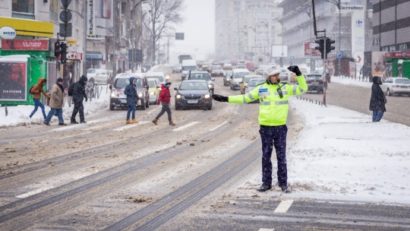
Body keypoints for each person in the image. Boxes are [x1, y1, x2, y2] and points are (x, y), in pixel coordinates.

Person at [212, 66, 308, 193]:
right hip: (266, 127)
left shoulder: (285, 88)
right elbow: (245, 98)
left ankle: (283, 183)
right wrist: (226, 99)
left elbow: (303, 89)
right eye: (274, 75)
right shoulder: (261, 88)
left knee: (281, 157)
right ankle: (266, 183)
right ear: (269, 77)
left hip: (280, 127)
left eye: (278, 75)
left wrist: (299, 74)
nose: (277, 77)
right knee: (266, 156)